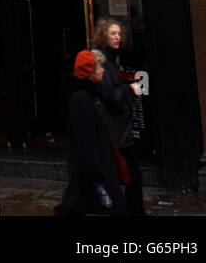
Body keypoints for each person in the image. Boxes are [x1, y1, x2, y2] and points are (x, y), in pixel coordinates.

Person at [54, 50, 126, 217]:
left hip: (91, 168)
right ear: (90, 72)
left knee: (75, 205)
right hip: (92, 167)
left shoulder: (90, 95)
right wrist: (95, 169)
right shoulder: (82, 99)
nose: (103, 71)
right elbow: (85, 138)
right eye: (99, 67)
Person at [92, 16, 145, 216]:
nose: (118, 37)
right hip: (113, 130)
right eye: (113, 33)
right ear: (103, 35)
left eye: (120, 34)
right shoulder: (101, 61)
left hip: (118, 129)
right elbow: (108, 95)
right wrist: (130, 90)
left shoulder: (113, 59)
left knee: (124, 175)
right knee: (124, 174)